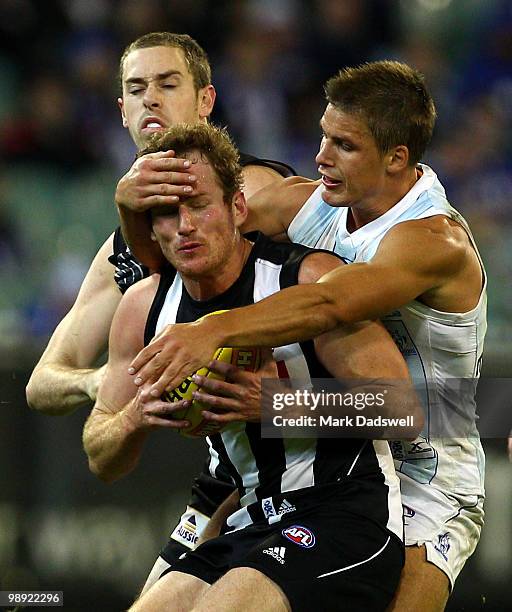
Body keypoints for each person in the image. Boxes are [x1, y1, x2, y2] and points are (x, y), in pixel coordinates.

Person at [123, 61, 487, 611]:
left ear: (396, 158)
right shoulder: (306, 204)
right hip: (318, 459)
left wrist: (217, 334)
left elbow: (329, 302)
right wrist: (132, 206)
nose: (321, 157)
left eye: (344, 145)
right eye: (323, 136)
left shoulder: (434, 241)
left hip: (425, 463)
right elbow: (180, 250)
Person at [84, 123, 421, 611]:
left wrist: (274, 406)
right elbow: (101, 459)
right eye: (166, 213)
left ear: (236, 207)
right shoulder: (145, 309)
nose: (184, 226)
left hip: (344, 512)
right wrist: (137, 414)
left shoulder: (304, 280)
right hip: (252, 520)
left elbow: (403, 410)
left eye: (199, 205)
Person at [25, 32, 295, 589]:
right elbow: (40, 384)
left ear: (206, 101)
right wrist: (103, 381)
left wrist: (131, 215)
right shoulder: (120, 257)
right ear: (120, 110)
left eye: (168, 84)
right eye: (136, 88)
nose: (151, 99)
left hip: (339, 456)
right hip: (232, 470)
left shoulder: (257, 194)